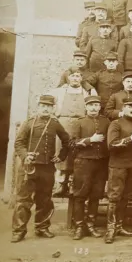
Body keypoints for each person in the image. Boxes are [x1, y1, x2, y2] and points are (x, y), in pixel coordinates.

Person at [11, 95, 70, 243]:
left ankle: (42, 227)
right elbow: (19, 143)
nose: (45, 108)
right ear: (38, 107)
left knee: (44, 199)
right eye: (43, 106)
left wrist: (61, 156)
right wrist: (25, 156)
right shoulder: (29, 123)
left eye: (49, 106)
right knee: (23, 200)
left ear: (53, 108)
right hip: (28, 168)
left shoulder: (55, 124)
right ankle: (19, 230)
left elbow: (67, 141)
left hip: (47, 168)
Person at [70, 95, 110, 240]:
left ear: (100, 107)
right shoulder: (79, 122)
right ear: (86, 107)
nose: (94, 108)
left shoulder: (106, 121)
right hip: (83, 162)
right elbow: (72, 143)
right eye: (91, 105)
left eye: (96, 105)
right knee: (80, 195)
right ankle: (79, 226)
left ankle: (91, 224)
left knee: (96, 194)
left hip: (101, 163)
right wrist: (89, 140)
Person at [104, 97, 132, 243]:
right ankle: (110, 229)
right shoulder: (115, 123)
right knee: (114, 197)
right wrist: (129, 139)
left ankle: (120, 226)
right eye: (130, 106)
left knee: (126, 197)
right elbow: (111, 145)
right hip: (118, 166)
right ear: (123, 108)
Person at [50, 67, 91, 197]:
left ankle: (74, 185)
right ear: (68, 78)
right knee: (61, 153)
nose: (75, 78)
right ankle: (61, 185)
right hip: (64, 123)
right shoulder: (59, 92)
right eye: (73, 76)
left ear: (81, 79)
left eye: (78, 76)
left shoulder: (86, 93)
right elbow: (50, 105)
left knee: (77, 153)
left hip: (79, 124)